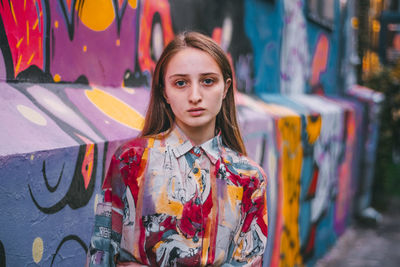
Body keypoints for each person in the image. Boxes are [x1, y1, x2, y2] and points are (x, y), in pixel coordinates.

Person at [87, 31, 268, 267]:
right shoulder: (131, 161)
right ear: (165, 92)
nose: (195, 96)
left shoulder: (249, 178)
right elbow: (101, 253)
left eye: (208, 81)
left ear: (225, 89)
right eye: (180, 83)